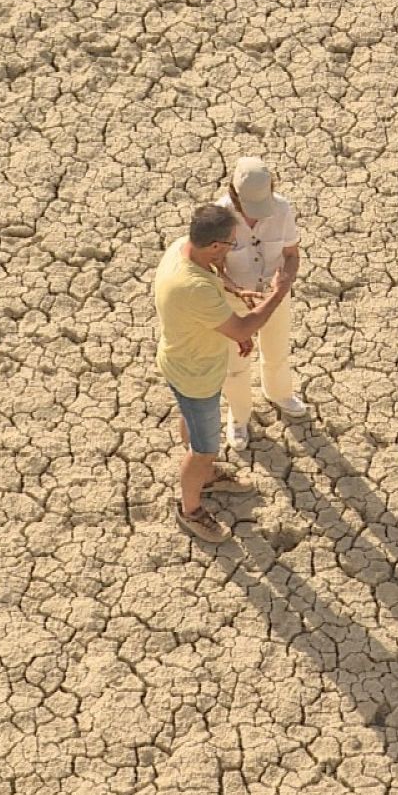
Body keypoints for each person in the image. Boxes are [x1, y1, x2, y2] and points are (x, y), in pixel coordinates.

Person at [154, 204, 296, 543]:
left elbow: (217, 281)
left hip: (183, 360)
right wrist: (278, 291)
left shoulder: (181, 248)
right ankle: (190, 510)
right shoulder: (194, 289)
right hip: (195, 373)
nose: (234, 248)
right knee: (204, 447)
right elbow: (246, 324)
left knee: (191, 419)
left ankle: (205, 477)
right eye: (232, 243)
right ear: (215, 245)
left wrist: (236, 292)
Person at [214, 156, 308, 448]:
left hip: (274, 295)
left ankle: (279, 393)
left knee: (277, 350)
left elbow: (292, 255)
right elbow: (213, 265)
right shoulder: (220, 216)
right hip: (234, 300)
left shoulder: (281, 208)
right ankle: (239, 416)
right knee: (235, 363)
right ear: (234, 194)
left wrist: (282, 286)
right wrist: (236, 291)